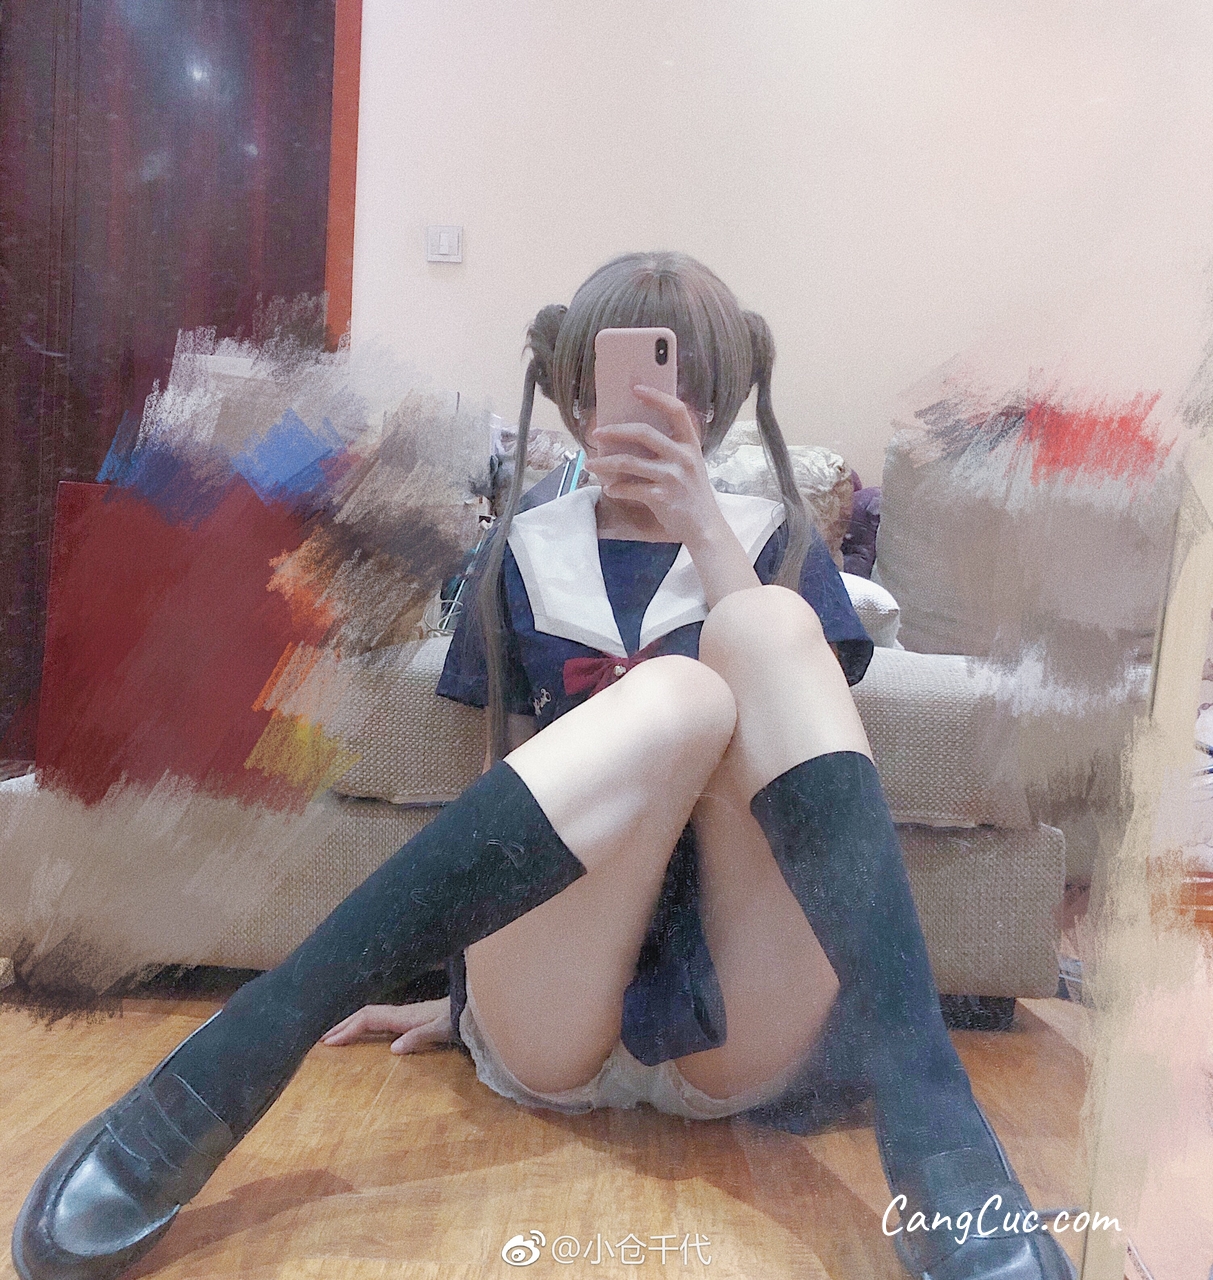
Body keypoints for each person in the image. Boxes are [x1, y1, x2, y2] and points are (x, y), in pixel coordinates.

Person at [11, 253, 1073, 1280]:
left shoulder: (774, 538)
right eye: (622, 377)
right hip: (557, 1004)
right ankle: (253, 1043)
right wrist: (466, 990)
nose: (655, 403)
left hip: (737, 1006)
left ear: (718, 397)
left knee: (765, 631)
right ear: (575, 391)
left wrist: (707, 530)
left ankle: (932, 1119)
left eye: (685, 380)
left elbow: (820, 784)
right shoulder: (525, 547)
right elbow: (513, 779)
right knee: (673, 693)